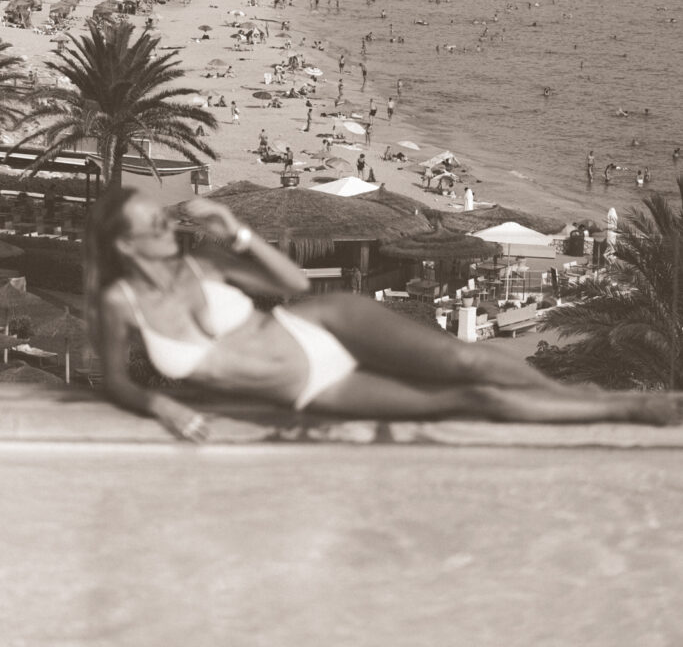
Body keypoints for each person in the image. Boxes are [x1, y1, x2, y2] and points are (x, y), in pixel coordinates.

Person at [87, 190, 683, 441]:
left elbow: (291, 283)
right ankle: (603, 401)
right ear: (123, 244)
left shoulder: (207, 265)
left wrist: (235, 230)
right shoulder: (119, 305)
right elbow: (114, 380)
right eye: (154, 224)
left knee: (464, 358)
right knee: (467, 398)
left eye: (166, 219)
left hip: (319, 321)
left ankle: (621, 406)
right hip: (316, 388)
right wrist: (159, 403)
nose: (168, 226)